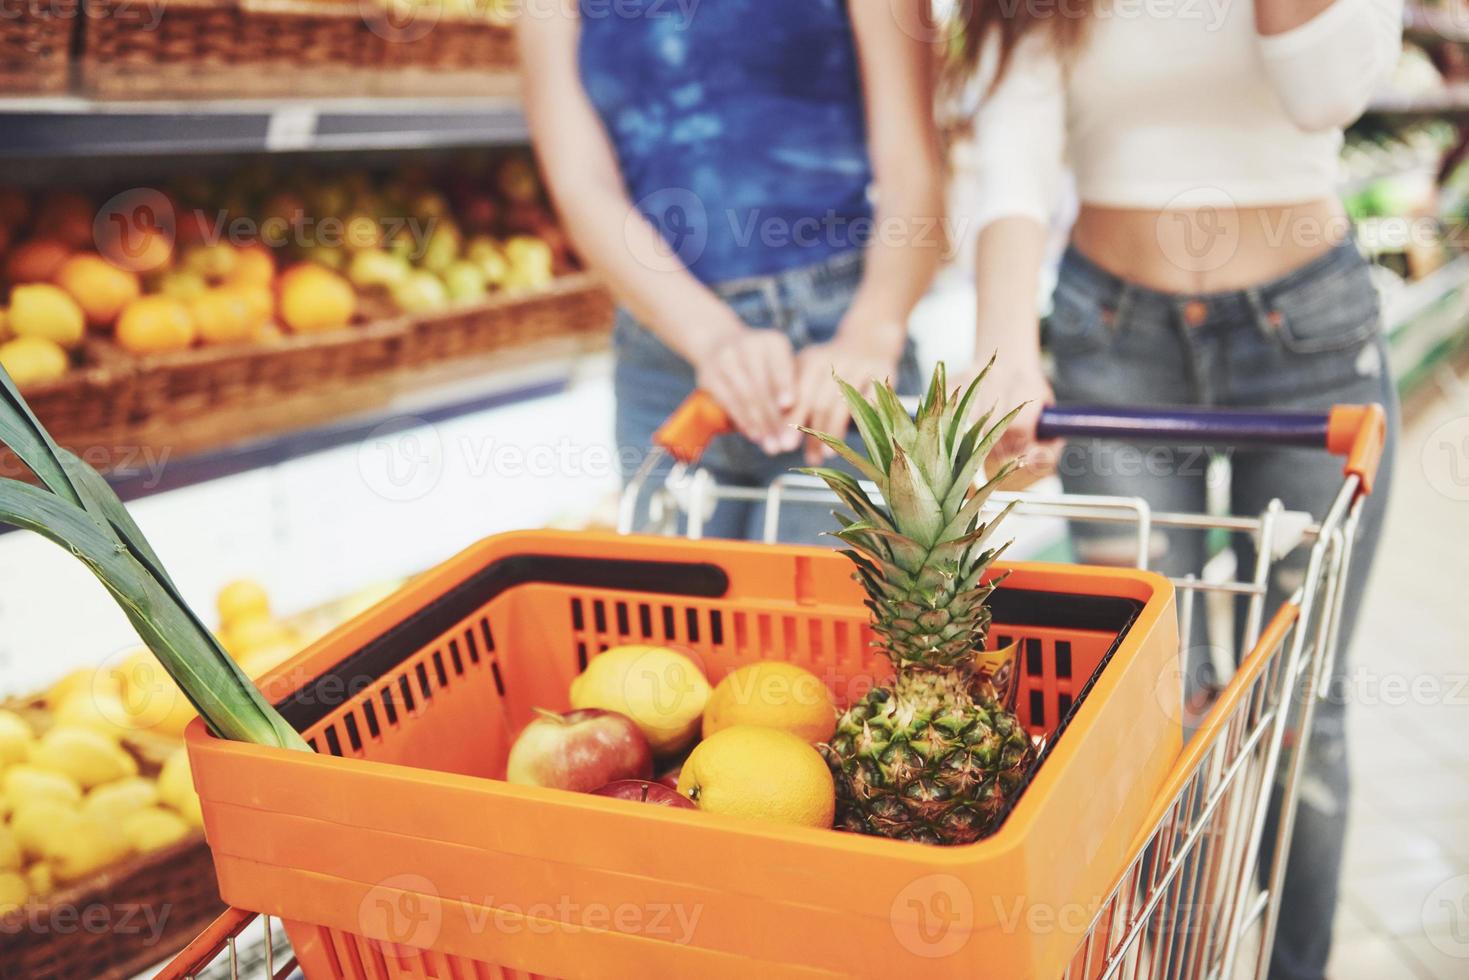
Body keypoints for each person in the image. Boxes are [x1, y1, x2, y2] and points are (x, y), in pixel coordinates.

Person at [954, 0, 1402, 976]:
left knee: (1296, 712)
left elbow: (1325, 90)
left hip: (1309, 344)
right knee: (1150, 709)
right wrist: (1001, 344)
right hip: (1113, 344)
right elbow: (1014, 148)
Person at [519, 0, 943, 542]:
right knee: (667, 624)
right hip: (666, 363)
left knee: (830, 623)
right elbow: (581, 187)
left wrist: (871, 332)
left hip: (839, 357)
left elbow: (914, 165)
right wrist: (712, 338)